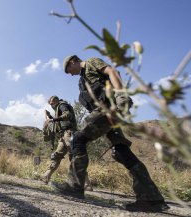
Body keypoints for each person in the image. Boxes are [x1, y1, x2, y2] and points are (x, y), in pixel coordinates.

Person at [54, 55, 168, 212]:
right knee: (121, 151)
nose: (69, 73)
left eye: (68, 69)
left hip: (110, 109)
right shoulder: (82, 81)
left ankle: (75, 186)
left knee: (77, 139)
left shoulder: (91, 63)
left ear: (73, 61)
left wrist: (121, 96)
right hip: (107, 115)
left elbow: (113, 72)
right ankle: (151, 198)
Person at [41, 95, 93, 191]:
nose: (51, 106)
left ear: (55, 101)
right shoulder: (59, 107)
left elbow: (67, 115)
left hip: (69, 134)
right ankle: (46, 176)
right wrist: (50, 117)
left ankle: (87, 184)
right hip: (64, 136)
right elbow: (59, 121)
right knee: (56, 155)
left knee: (75, 157)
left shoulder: (62, 105)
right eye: (50, 104)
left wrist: (52, 119)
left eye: (52, 104)